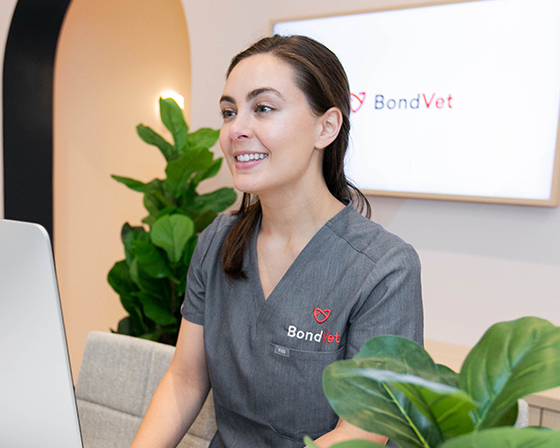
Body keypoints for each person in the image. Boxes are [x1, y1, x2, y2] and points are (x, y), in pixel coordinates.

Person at [130, 35, 423, 448]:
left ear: (326, 127)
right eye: (229, 112)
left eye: (262, 108)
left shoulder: (384, 268)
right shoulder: (217, 241)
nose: (236, 130)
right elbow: (185, 380)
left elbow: (361, 431)